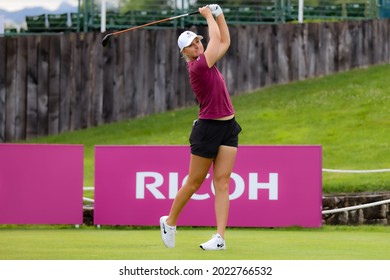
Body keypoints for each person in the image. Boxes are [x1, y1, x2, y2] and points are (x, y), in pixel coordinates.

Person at [160, 4, 242, 251]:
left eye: (198, 42)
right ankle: (170, 221)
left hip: (228, 126)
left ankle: (220, 238)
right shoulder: (197, 66)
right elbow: (217, 38)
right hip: (206, 130)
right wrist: (208, 16)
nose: (198, 46)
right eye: (192, 45)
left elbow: (224, 40)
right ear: (185, 52)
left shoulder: (209, 61)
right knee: (195, 181)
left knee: (223, 182)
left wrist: (219, 14)